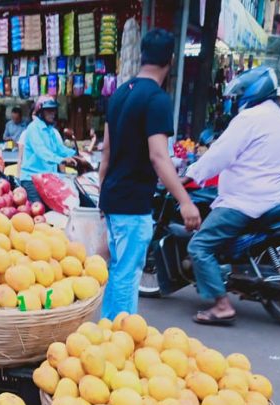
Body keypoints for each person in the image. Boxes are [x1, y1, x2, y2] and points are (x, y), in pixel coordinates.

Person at [97, 28, 200, 321]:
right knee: (126, 274)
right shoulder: (157, 99)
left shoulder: (118, 94)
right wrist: (185, 201)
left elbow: (106, 153)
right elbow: (158, 155)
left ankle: (107, 331)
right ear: (170, 60)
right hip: (132, 203)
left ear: (142, 56)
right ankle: (119, 337)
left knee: (117, 269)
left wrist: (103, 198)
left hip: (114, 197)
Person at [184, 66, 280, 326]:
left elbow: (220, 154)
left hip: (247, 200)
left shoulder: (250, 118)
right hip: (274, 196)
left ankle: (221, 305)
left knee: (199, 246)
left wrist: (191, 174)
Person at [18, 98, 80, 203]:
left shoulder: (50, 130)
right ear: (40, 112)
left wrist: (77, 154)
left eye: (54, 110)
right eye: (49, 110)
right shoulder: (33, 128)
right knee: (39, 212)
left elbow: (59, 149)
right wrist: (62, 160)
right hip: (32, 179)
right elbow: (42, 152)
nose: (53, 114)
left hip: (48, 179)